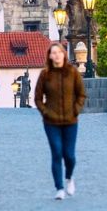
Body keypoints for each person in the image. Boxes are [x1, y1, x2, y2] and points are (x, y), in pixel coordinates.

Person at [34, 42, 87, 200]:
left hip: (71, 121)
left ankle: (69, 177)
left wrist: (76, 110)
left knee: (69, 155)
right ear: (50, 56)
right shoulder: (45, 74)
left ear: (64, 54)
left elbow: (81, 95)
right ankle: (59, 188)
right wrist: (45, 112)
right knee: (57, 152)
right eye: (53, 53)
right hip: (51, 122)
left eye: (59, 52)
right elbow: (37, 98)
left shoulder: (73, 72)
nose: (56, 55)